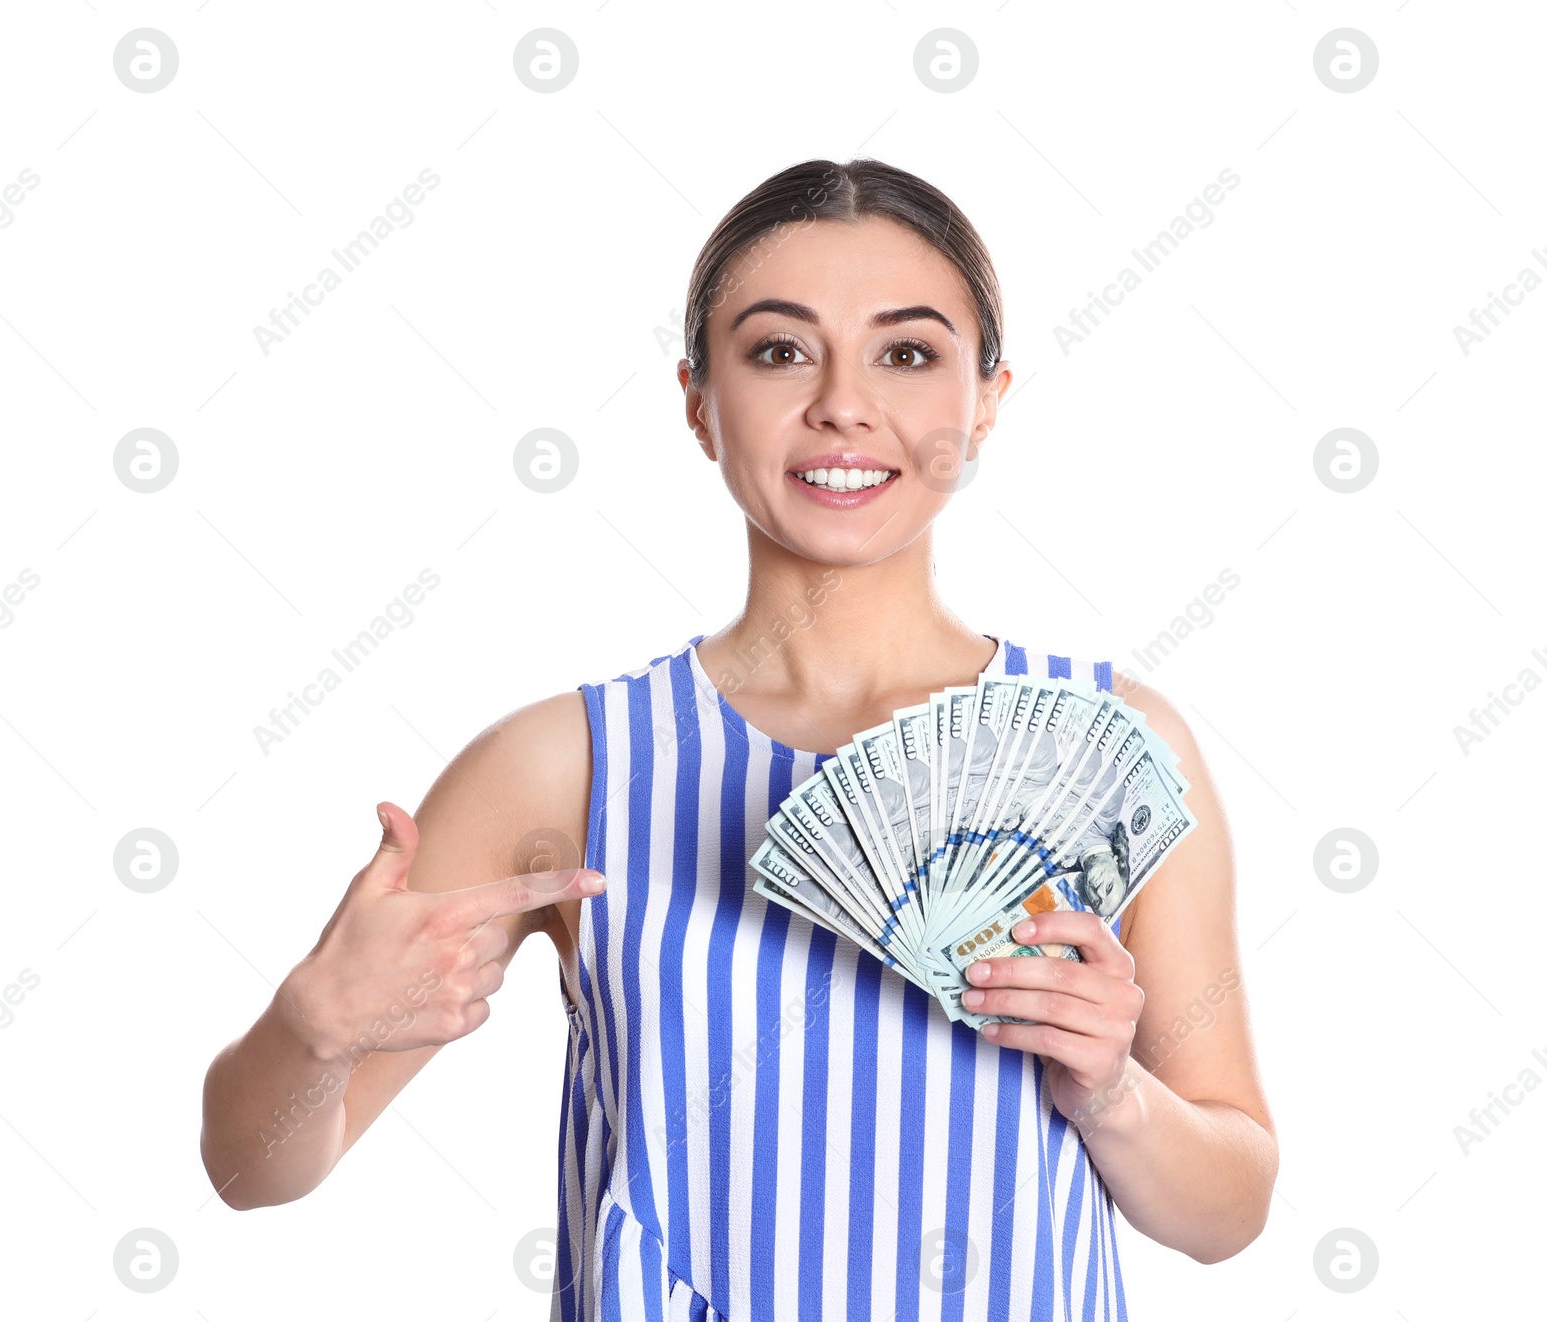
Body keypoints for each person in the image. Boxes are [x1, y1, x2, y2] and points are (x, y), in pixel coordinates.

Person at [200, 157, 1277, 1319]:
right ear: (697, 399)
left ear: (989, 397)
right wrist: (313, 1032)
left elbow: (1230, 1209)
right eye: (778, 350)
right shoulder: (564, 765)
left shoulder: (1112, 743)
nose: (843, 405)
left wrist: (1112, 1090)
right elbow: (251, 1170)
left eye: (907, 353)